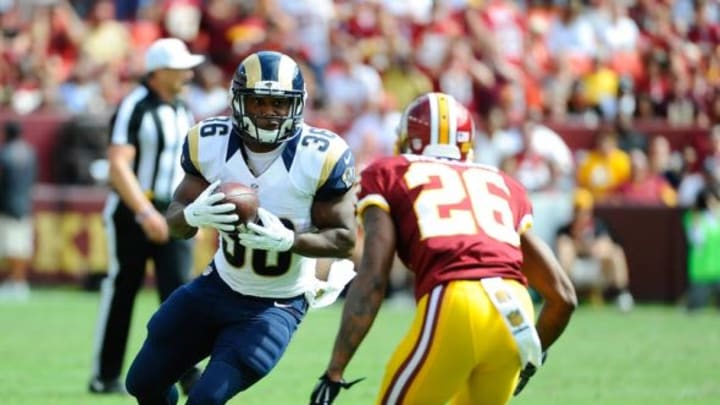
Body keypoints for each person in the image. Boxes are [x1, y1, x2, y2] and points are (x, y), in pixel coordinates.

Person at [310, 93, 577, 405]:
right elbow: (564, 297)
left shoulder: (388, 172)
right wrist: (531, 356)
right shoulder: (505, 183)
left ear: (408, 141)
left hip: (456, 302)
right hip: (516, 315)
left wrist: (336, 369)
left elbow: (373, 277)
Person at [124, 50, 358, 405]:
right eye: (258, 101)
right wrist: (191, 217)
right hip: (217, 285)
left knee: (204, 400)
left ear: (297, 104)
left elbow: (344, 239)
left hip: (275, 304)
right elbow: (174, 223)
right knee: (142, 383)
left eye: (279, 103)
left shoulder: (320, 155)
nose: (268, 112)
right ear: (237, 101)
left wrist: (289, 241)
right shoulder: (210, 141)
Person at [89, 38, 205, 395]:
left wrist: (191, 214)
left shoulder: (182, 107)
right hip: (133, 209)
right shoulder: (135, 105)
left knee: (180, 294)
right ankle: (105, 375)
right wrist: (143, 211)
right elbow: (118, 164)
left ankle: (186, 373)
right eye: (181, 67)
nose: (189, 72)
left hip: (171, 208)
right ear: (160, 72)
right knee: (123, 290)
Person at [555, 188, 635, 311]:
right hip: (574, 276)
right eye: (577, 211)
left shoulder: (599, 226)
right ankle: (563, 295)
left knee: (616, 251)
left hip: (598, 272)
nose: (580, 215)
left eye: (583, 211)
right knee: (566, 248)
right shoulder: (564, 230)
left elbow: (604, 247)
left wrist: (585, 247)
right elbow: (563, 250)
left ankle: (622, 294)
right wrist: (580, 246)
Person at [0, 121, 37, 302]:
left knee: (12, 248)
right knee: (21, 248)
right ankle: (19, 282)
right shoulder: (29, 152)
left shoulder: (5, 154)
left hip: (8, 206)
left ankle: (16, 282)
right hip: (25, 204)